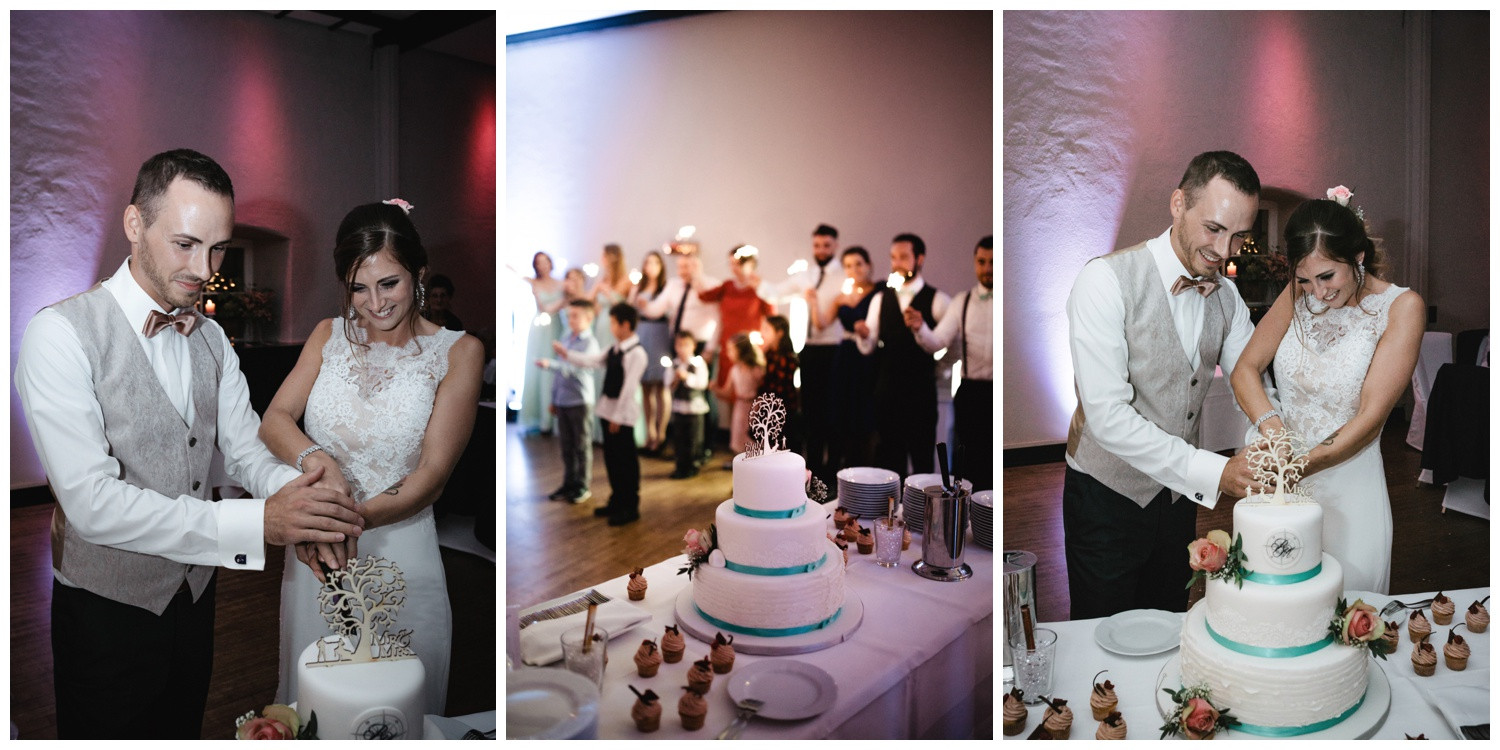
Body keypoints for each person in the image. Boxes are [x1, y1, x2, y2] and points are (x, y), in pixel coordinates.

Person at [14, 149, 365, 739]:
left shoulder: (211, 339)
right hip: (106, 609)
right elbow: (92, 504)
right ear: (134, 224)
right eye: (185, 244)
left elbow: (248, 449)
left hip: (197, 597)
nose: (204, 268)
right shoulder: (60, 334)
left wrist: (302, 506)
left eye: (218, 247)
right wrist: (262, 524)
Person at [262, 198, 483, 721]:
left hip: (399, 552)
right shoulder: (326, 335)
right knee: (317, 704)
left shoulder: (458, 351)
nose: (374, 303)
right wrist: (322, 464)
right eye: (358, 287)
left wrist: (349, 519)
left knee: (393, 710)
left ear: (418, 273)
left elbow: (431, 476)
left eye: (390, 283)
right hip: (319, 553)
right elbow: (275, 419)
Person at [1064, 151, 1264, 619]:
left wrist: (1268, 433)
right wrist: (1217, 472)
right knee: (1102, 634)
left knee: (1168, 622)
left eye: (1239, 236)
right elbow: (1109, 419)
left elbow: (1249, 380)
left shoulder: (1228, 296)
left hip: (1177, 501)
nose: (1225, 250)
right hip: (1106, 496)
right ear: (1178, 204)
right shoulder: (1104, 280)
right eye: (1214, 228)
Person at [1231, 194, 1423, 595]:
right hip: (1282, 490)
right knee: (1277, 608)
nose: (1316, 293)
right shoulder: (1296, 294)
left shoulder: (1401, 308)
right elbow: (1245, 370)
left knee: (1345, 617)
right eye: (1304, 279)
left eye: (1327, 277)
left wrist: (1300, 465)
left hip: (1349, 490)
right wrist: (1274, 431)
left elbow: (1370, 417)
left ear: (1358, 257)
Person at [854, 234, 950, 477]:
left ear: (920, 259)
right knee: (888, 457)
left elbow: (948, 344)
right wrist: (863, 334)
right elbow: (869, 344)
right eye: (893, 258)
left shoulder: (938, 300)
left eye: (904, 257)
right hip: (887, 391)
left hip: (921, 392)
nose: (896, 263)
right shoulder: (880, 297)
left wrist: (939, 366)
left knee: (922, 458)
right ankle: (889, 513)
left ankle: (921, 513)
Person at [555, 302, 647, 526]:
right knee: (612, 459)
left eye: (614, 323)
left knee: (625, 460)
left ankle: (630, 505)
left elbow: (629, 388)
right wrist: (567, 354)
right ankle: (616, 500)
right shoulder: (614, 348)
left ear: (625, 324)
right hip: (608, 410)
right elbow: (592, 360)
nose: (611, 327)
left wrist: (617, 416)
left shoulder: (637, 353)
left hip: (621, 415)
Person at [915, 236, 993, 490]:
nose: (987, 268)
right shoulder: (962, 301)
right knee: (968, 463)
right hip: (971, 392)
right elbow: (937, 342)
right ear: (974, 263)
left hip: (998, 391)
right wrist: (919, 327)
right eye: (981, 262)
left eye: (992, 262)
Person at [635, 247, 721, 459]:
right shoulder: (674, 285)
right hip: (678, 344)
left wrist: (710, 348)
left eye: (689, 266)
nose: (685, 270)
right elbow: (656, 309)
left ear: (698, 265)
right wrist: (644, 304)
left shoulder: (709, 285)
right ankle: (683, 444)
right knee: (679, 392)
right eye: (681, 266)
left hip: (700, 345)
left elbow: (719, 320)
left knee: (701, 393)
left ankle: (705, 445)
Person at [820, 246, 881, 471]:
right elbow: (821, 324)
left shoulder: (879, 292)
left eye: (858, 264)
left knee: (863, 410)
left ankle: (863, 466)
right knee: (840, 409)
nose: (853, 269)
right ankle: (837, 467)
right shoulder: (842, 297)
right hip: (844, 355)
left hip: (867, 357)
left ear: (868, 265)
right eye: (847, 265)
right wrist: (812, 299)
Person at [537, 298, 600, 504]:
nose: (570, 320)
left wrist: (551, 364)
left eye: (575, 316)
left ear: (589, 318)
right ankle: (568, 483)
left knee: (581, 446)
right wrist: (554, 399)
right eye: (568, 315)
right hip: (563, 400)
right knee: (566, 446)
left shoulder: (590, 343)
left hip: (580, 400)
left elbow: (576, 370)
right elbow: (560, 375)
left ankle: (582, 486)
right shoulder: (566, 337)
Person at [699, 245, 775, 393]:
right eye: (731, 263)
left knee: (748, 395)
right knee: (725, 392)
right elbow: (705, 296)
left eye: (738, 263)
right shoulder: (727, 286)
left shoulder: (760, 288)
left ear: (750, 264)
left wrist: (763, 347)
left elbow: (772, 317)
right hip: (729, 348)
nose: (734, 268)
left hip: (750, 351)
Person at [519, 252, 565, 434]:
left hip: (557, 327)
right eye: (538, 263)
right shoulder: (534, 284)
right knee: (539, 371)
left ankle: (554, 420)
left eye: (545, 262)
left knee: (556, 370)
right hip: (540, 329)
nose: (542, 265)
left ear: (550, 263)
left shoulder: (560, 283)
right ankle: (542, 419)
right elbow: (543, 308)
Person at [631, 249, 672, 454]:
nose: (651, 267)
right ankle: (649, 433)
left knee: (660, 386)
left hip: (660, 334)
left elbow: (670, 311)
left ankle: (662, 432)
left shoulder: (666, 287)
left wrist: (651, 306)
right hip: (642, 332)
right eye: (648, 263)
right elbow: (631, 308)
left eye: (655, 263)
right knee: (645, 387)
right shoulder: (638, 287)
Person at [666, 330, 710, 479]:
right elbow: (667, 384)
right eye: (679, 345)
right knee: (679, 438)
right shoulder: (673, 364)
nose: (682, 349)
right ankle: (680, 466)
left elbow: (702, 383)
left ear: (693, 346)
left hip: (695, 409)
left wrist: (687, 377)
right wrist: (675, 378)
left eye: (686, 345)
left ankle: (692, 466)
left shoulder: (698, 363)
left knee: (693, 439)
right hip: (679, 407)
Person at [716, 332, 765, 459]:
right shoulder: (734, 370)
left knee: (753, 441)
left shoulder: (756, 369)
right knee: (739, 440)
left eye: (731, 350)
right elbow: (727, 392)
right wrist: (713, 388)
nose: (728, 353)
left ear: (741, 350)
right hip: (740, 408)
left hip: (755, 408)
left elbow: (763, 390)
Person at [758, 314, 801, 453]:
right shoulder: (769, 353)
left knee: (781, 444)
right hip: (769, 405)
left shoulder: (786, 357)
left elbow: (777, 385)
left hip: (782, 407)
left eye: (766, 329)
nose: (762, 333)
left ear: (779, 333)